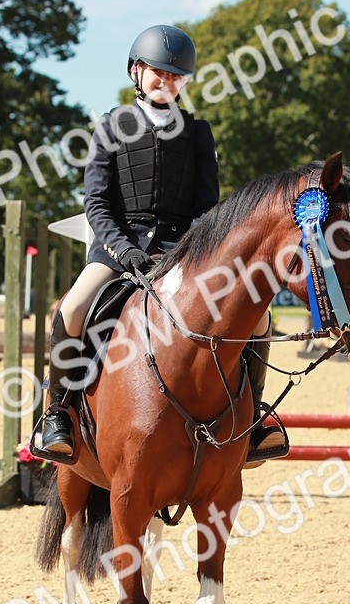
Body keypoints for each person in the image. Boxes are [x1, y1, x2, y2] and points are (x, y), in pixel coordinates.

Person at [38, 23, 285, 465]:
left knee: (260, 317)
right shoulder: (111, 126)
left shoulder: (197, 133)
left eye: (176, 76)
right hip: (118, 247)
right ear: (136, 71)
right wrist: (121, 248)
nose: (166, 81)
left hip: (183, 250)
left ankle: (255, 419)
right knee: (72, 309)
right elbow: (96, 201)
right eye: (158, 72)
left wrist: (190, 251)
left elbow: (207, 209)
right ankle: (57, 415)